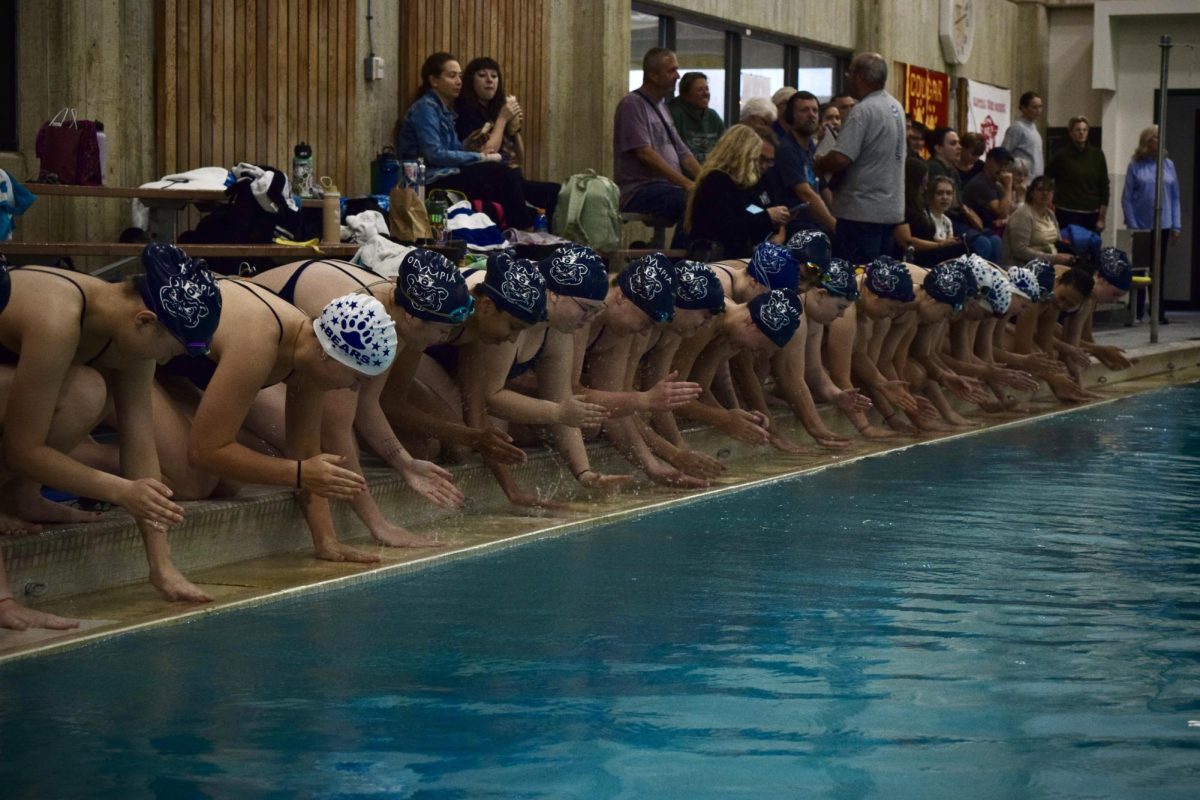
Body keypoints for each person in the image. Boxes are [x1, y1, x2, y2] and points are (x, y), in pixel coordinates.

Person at [0, 244, 222, 621]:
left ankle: (21, 495)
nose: (168, 361)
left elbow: (140, 442)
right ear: (145, 320)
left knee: (88, 391)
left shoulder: (129, 334)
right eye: (173, 351)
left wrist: (162, 567)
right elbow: (24, 450)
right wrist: (118, 490)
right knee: (85, 391)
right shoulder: (58, 317)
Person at [152, 273, 399, 565]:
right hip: (126, 366)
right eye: (356, 377)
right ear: (330, 356)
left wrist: (326, 541)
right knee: (196, 482)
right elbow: (204, 451)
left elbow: (305, 452)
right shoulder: (261, 341)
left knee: (229, 481)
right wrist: (297, 473)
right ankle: (88, 462)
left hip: (172, 371)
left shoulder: (310, 352)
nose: (354, 389)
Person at [250, 254, 472, 547]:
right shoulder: (364, 319)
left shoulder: (395, 317)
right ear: (414, 318)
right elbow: (335, 430)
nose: (444, 339)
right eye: (443, 330)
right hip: (254, 358)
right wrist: (379, 525)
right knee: (327, 448)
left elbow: (367, 404)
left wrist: (404, 463)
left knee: (385, 448)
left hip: (291, 366)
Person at [397, 52, 534, 230]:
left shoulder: (445, 110)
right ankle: (524, 231)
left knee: (505, 177)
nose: (459, 81)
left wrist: (468, 147)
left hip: (447, 174)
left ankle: (512, 233)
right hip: (428, 181)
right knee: (501, 174)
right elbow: (434, 154)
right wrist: (480, 158)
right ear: (434, 81)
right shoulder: (425, 108)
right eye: (452, 76)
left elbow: (452, 150)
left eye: (460, 76)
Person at [814, 53, 906, 264]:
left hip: (861, 211)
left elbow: (841, 158)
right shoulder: (895, 106)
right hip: (889, 209)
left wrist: (819, 163)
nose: (847, 78)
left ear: (859, 77)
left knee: (856, 276)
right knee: (877, 277)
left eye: (849, 73)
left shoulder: (863, 110)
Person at [454, 56, 561, 224]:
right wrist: (502, 120)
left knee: (556, 192)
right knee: (513, 182)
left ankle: (554, 238)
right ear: (471, 81)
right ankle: (526, 233)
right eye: (482, 75)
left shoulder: (496, 109)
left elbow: (520, 158)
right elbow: (488, 152)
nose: (489, 80)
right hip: (488, 180)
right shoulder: (464, 112)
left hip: (513, 177)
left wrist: (515, 130)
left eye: (494, 76)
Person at [613, 47, 701, 230]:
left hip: (665, 187)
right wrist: (687, 184)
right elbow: (644, 153)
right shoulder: (632, 104)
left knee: (708, 199)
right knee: (690, 202)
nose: (677, 76)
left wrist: (705, 181)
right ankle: (686, 253)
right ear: (653, 75)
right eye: (671, 71)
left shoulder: (662, 107)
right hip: (640, 189)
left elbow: (683, 152)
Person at [684, 125, 788, 259]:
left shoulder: (743, 184)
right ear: (742, 154)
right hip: (717, 258)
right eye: (756, 158)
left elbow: (750, 209)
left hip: (737, 256)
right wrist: (767, 216)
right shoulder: (716, 180)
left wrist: (772, 220)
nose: (760, 165)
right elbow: (726, 223)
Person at [1122, 125, 1181, 323]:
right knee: (1139, 268)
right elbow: (1127, 197)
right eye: (1155, 138)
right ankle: (1136, 310)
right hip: (1142, 224)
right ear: (1147, 141)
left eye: (1160, 138)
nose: (1158, 141)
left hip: (1163, 224)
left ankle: (1158, 311)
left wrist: (1176, 225)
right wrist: (1132, 223)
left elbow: (1174, 198)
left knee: (1158, 268)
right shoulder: (1136, 165)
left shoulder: (1168, 165)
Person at [772, 91, 837, 234]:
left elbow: (823, 189)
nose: (811, 114)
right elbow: (805, 193)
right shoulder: (786, 148)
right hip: (796, 226)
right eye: (804, 110)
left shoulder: (811, 147)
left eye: (814, 110)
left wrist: (840, 218)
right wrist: (835, 226)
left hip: (815, 222)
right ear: (791, 116)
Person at [895, 163, 967, 267]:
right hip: (917, 257)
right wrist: (940, 244)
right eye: (923, 183)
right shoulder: (907, 208)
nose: (945, 198)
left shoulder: (944, 220)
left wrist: (947, 243)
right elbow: (908, 241)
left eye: (949, 193)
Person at [1046, 115, 1109, 232]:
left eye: (1084, 130)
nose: (1081, 133)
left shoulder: (1097, 155)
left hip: (1091, 213)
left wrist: (1102, 218)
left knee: (1090, 247)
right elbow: (1046, 178)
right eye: (1078, 130)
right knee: (1067, 247)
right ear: (1071, 133)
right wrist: (1049, 200)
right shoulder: (1061, 155)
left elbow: (1104, 187)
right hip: (1066, 211)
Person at [1002, 176, 1074, 266]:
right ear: (1032, 193)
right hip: (1023, 266)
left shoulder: (1050, 214)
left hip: (1051, 262)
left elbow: (1058, 241)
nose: (1045, 193)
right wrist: (1053, 258)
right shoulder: (1023, 214)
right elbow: (1019, 250)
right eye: (1040, 189)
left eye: (1049, 190)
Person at [668, 71, 725, 164]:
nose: (705, 93)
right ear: (685, 95)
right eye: (699, 90)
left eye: (707, 89)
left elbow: (726, 148)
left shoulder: (713, 116)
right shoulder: (674, 115)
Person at [962, 146, 1016, 231]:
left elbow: (1011, 209)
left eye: (1005, 165)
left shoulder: (996, 183)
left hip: (988, 227)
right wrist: (1008, 186)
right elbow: (1002, 213)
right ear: (988, 161)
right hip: (972, 229)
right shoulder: (981, 183)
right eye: (999, 163)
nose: (1002, 168)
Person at [1001, 91, 1045, 178]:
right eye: (1034, 107)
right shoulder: (1017, 128)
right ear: (1023, 108)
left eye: (1040, 107)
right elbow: (1004, 153)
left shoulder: (1033, 127)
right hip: (1022, 180)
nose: (1038, 111)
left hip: (1035, 181)